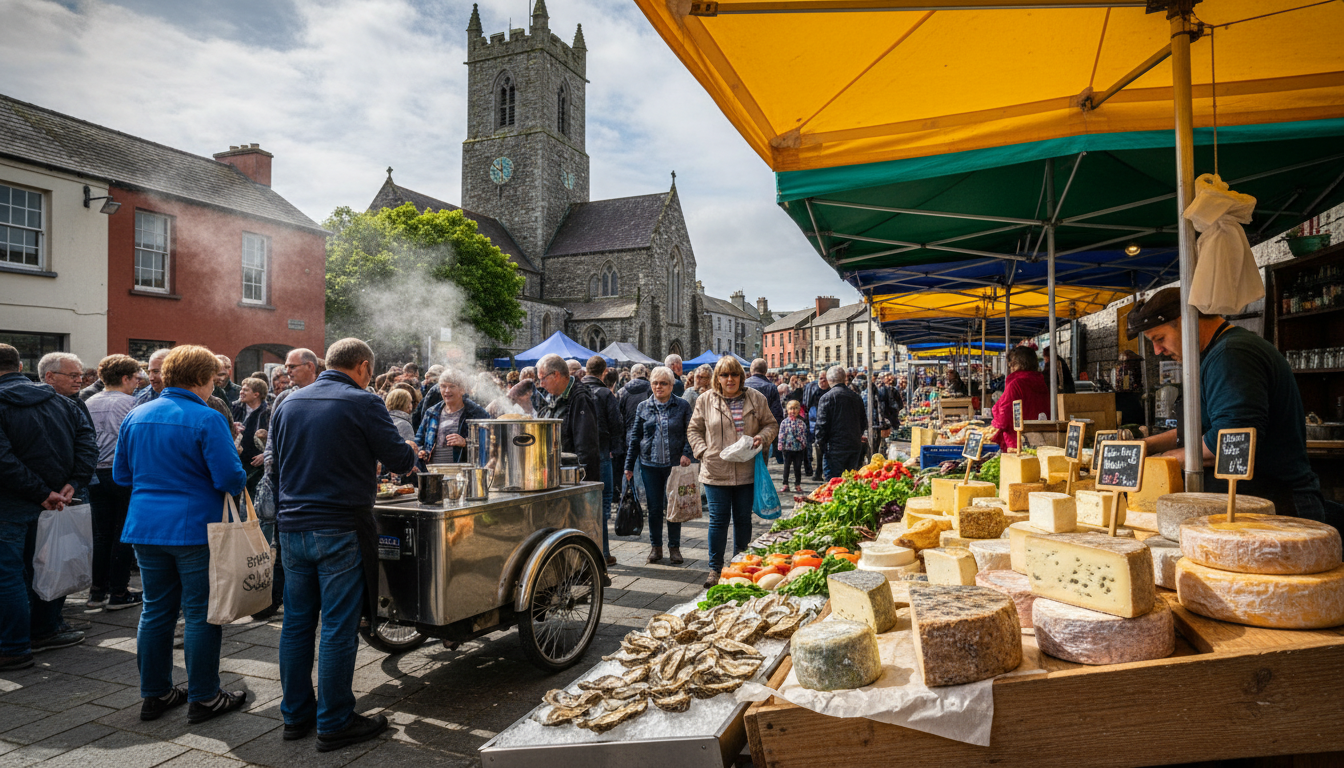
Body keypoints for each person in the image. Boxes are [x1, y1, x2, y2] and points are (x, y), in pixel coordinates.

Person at [270, 339, 417, 751]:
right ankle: (334, 720)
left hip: (292, 526)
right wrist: (407, 448)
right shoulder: (364, 401)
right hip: (339, 526)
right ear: (364, 367)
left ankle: (295, 715)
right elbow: (400, 461)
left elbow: (276, 465)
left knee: (297, 624)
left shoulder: (288, 402)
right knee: (337, 625)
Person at [114, 345, 249, 722]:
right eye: (213, 380)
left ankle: (155, 693)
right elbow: (229, 477)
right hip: (194, 528)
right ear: (204, 379)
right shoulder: (206, 419)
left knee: (155, 611)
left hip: (145, 526)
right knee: (201, 614)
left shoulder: (137, 414)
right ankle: (205, 696)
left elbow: (121, 475)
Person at [1126, 287, 1328, 522]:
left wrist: (1161, 462)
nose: (1157, 351)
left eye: (1159, 339)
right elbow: (1200, 431)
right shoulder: (1216, 354)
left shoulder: (1231, 354)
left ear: (1186, 320)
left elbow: (1229, 441)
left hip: (1275, 508)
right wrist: (1144, 447)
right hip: (1249, 504)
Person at [0, 344, 97, 669]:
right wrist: (73, 482)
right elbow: (88, 442)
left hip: (14, 505)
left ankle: (13, 647)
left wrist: (46, 491)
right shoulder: (62, 402)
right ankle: (45, 629)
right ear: (18, 365)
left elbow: (3, 460)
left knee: (10, 574)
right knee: (48, 564)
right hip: (55, 501)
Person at [687, 356, 778, 588]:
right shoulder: (705, 400)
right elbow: (694, 429)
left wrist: (762, 437)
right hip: (716, 470)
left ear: (741, 376)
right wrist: (703, 451)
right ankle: (715, 569)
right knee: (718, 521)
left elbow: (771, 424)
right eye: (725, 375)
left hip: (747, 470)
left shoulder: (756, 398)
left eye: (734, 374)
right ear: (718, 378)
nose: (730, 379)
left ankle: (740, 564)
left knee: (742, 520)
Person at [86, 354, 143, 611]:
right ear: (124, 378)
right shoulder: (131, 403)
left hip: (94, 474)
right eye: (135, 378)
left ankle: (97, 591)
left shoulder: (89, 401)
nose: (138, 382)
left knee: (101, 534)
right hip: (121, 473)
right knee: (122, 532)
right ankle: (119, 592)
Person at [625, 366, 694, 565]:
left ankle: (675, 548)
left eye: (663, 383)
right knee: (654, 508)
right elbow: (635, 437)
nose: (658, 387)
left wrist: (686, 453)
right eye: (655, 383)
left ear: (672, 385)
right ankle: (656, 548)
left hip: (674, 465)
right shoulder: (643, 407)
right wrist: (629, 466)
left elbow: (691, 432)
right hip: (649, 464)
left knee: (674, 507)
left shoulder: (681, 406)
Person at [537, 354, 602, 485]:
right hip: (555, 472)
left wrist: (582, 480)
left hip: (571, 476)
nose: (541, 384)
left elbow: (586, 446)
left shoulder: (580, 398)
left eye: (543, 379)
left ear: (556, 375)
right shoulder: (551, 396)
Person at [583, 356, 622, 566]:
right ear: (604, 371)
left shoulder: (577, 392)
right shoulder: (605, 393)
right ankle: (604, 553)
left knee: (586, 506)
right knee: (603, 506)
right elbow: (617, 425)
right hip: (602, 452)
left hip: (580, 456)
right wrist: (615, 451)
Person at [416, 369, 491, 465]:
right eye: (443, 386)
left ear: (462, 390)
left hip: (463, 474)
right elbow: (418, 440)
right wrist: (421, 451)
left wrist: (466, 443)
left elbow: (490, 444)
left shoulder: (477, 413)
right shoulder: (431, 412)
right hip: (434, 473)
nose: (447, 391)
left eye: (452, 386)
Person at [987, 346, 1050, 452]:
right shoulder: (1044, 382)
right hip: (1042, 437)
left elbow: (1004, 417)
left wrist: (995, 419)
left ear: (1016, 364)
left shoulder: (1016, 383)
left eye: (1011, 364)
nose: (1010, 367)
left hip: (1017, 441)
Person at [815, 366, 866, 480]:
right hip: (853, 445)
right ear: (844, 379)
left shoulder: (827, 397)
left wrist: (821, 446)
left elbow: (821, 426)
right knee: (849, 482)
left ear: (829, 380)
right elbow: (863, 422)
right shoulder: (856, 397)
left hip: (834, 448)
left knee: (834, 483)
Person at [232, 377, 272, 501]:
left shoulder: (268, 412)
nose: (241, 392)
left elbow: (275, 437)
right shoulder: (235, 408)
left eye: (245, 390)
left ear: (256, 394)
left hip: (258, 468)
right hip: (237, 463)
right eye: (241, 389)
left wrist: (265, 454)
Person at [801, 373, 830, 480]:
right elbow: (806, 405)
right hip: (813, 420)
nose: (823, 381)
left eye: (825, 379)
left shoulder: (830, 391)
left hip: (825, 421)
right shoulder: (812, 389)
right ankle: (811, 468)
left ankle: (820, 470)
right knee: (810, 445)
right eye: (821, 379)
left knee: (821, 446)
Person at [777, 400, 808, 494]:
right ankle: (785, 484)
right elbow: (781, 434)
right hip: (787, 448)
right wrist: (780, 444)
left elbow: (804, 434)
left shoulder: (801, 423)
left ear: (799, 410)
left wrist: (802, 442)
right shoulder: (784, 423)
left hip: (798, 448)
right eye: (791, 409)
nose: (793, 411)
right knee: (786, 466)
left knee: (797, 467)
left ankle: (797, 484)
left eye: (795, 408)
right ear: (787, 410)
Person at [745, 358, 785, 427]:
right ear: (765, 371)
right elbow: (777, 413)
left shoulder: (742, 385)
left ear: (751, 370)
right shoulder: (771, 387)